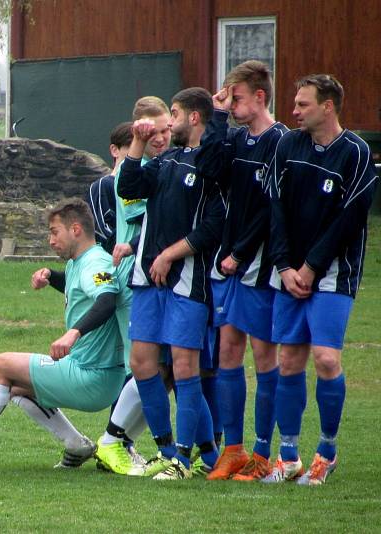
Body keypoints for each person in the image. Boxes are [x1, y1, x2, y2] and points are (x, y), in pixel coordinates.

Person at [0, 199, 127, 469]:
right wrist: (51, 277)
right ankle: (77, 445)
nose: (50, 240)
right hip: (94, 374)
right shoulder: (80, 262)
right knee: (16, 387)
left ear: (75, 229)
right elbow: (80, 287)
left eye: (55, 232)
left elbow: (106, 299)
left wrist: (73, 334)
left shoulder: (95, 262)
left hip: (92, 375)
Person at [264, 74, 377, 485]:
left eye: (303, 104)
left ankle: (326, 451)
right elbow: (274, 209)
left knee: (326, 359)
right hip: (288, 273)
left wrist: (311, 267)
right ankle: (288, 455)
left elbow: (350, 219)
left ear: (328, 106)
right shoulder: (287, 145)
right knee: (289, 360)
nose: (294, 112)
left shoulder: (356, 153)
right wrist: (284, 267)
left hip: (332, 273)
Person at [117, 87, 225, 480]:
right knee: (142, 364)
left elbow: (214, 226)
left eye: (173, 116)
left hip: (186, 279)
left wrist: (169, 254)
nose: (167, 127)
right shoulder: (166, 161)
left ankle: (186, 457)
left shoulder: (211, 163)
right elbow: (129, 188)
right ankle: (165, 451)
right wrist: (137, 143)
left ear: (191, 118)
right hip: (147, 281)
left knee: (184, 368)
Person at [197, 60, 289, 481]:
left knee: (263, 354)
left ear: (260, 96)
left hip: (261, 267)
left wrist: (241, 251)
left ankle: (263, 454)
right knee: (229, 350)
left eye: (234, 98)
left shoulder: (281, 141)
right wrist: (216, 117)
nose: (230, 105)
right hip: (231, 264)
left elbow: (273, 208)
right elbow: (209, 168)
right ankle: (232, 449)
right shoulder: (234, 138)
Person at [94, 97, 173, 476]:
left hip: (160, 277)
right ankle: (114, 443)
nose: (158, 138)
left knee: (164, 372)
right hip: (136, 279)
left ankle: (124, 443)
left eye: (163, 130)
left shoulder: (167, 164)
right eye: (149, 132)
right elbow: (142, 222)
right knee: (143, 369)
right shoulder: (128, 173)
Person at [86, 122, 134, 253]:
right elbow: (101, 230)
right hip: (115, 261)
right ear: (115, 150)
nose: (138, 152)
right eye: (132, 146)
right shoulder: (103, 185)